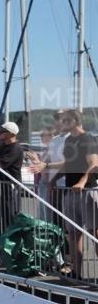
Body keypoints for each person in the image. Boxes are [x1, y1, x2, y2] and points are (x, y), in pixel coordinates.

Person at [30, 109, 97, 277]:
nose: (61, 124)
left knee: (95, 233)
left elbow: (94, 163)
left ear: (75, 121)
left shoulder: (87, 138)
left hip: (86, 191)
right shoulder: (69, 141)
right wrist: (52, 176)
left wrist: (82, 181)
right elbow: (68, 164)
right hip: (70, 192)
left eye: (65, 121)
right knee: (73, 235)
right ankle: (76, 272)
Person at [0, 121, 24, 241]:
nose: (0, 133)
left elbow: (1, 163)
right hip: (0, 187)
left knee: (10, 218)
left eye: (3, 131)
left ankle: (12, 250)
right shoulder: (2, 146)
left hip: (10, 187)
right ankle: (0, 248)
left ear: (11, 133)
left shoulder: (16, 148)